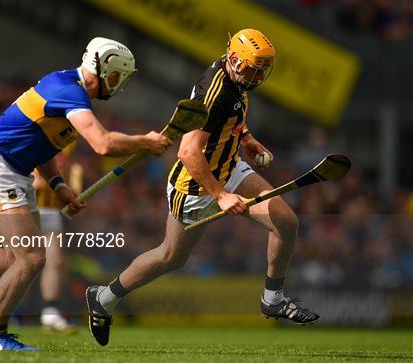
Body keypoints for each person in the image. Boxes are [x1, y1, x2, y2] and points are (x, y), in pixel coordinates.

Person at [0, 37, 171, 351]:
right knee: (32, 257)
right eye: (118, 78)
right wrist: (145, 143)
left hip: (15, 169)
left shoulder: (69, 91)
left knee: (13, 260)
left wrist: (58, 185)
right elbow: (104, 144)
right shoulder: (69, 92)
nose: (118, 85)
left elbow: (43, 147)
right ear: (108, 72)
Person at [85, 29, 320, 347]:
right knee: (170, 257)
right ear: (235, 60)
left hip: (230, 168)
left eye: (263, 68)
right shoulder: (216, 90)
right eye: (254, 68)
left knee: (286, 222)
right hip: (195, 186)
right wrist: (220, 196)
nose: (259, 75)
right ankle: (105, 298)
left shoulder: (235, 79)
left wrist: (246, 138)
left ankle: (273, 297)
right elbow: (187, 152)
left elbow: (230, 114)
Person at [33, 144, 80, 334]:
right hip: (25, 206)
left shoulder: (69, 146)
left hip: (51, 210)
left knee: (56, 260)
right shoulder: (37, 135)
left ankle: (50, 311)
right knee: (19, 261)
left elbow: (71, 178)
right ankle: (9, 312)